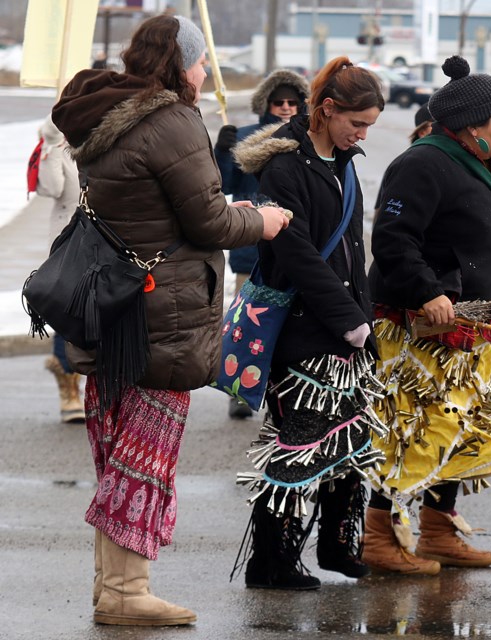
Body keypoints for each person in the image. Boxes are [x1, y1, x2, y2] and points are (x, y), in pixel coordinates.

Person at [51, 14, 289, 625]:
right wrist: (258, 221)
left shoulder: (109, 113)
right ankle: (128, 593)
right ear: (180, 63)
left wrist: (219, 208)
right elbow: (207, 222)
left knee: (118, 446)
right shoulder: (172, 120)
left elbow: (156, 208)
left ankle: (112, 587)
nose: (205, 70)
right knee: (145, 451)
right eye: (200, 59)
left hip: (114, 306)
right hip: (164, 312)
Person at [364, 55, 491, 573]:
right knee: (417, 431)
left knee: (460, 430)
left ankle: (437, 529)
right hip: (425, 332)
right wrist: (426, 291)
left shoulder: (481, 164)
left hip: (474, 330)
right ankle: (378, 536)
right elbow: (392, 240)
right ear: (473, 125)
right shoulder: (423, 163)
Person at [229, 56, 387, 589]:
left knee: (348, 440)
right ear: (327, 110)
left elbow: (350, 248)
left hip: (345, 328)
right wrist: (349, 319)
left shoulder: (344, 160)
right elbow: (298, 254)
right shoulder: (284, 166)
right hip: (301, 329)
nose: (362, 135)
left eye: (368, 126)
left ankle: (338, 546)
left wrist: (363, 320)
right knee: (298, 447)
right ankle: (271, 561)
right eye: (356, 124)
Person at [214, 68, 310, 420]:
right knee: (246, 327)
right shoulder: (246, 136)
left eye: (292, 102)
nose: (285, 108)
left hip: (295, 245)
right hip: (251, 246)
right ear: (266, 104)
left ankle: (280, 393)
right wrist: (223, 151)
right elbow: (222, 184)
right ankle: (238, 389)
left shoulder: (309, 138)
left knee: (288, 329)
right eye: (278, 102)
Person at [35, 114, 84, 424]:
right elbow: (52, 188)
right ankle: (70, 389)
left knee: (101, 316)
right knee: (68, 317)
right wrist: (52, 140)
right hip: (67, 246)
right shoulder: (59, 148)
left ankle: (97, 390)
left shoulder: (103, 144)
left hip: (106, 244)